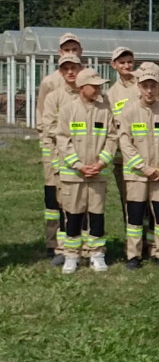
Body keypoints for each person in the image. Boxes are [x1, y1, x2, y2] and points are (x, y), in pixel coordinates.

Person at [55, 68, 116, 273]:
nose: (99, 88)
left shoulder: (104, 110)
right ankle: (71, 255)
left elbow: (112, 138)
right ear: (82, 87)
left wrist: (100, 163)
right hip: (74, 176)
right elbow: (63, 140)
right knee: (73, 215)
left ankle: (97, 253)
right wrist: (79, 166)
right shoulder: (68, 110)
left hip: (98, 175)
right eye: (95, 85)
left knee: (97, 215)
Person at [119, 62, 159, 270]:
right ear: (139, 87)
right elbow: (125, 143)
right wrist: (144, 167)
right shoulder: (129, 111)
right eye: (145, 86)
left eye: (153, 86)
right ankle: (134, 255)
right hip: (136, 176)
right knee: (135, 216)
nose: (149, 91)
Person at [37, 33, 83, 262]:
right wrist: (47, 142)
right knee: (53, 196)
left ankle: (76, 241)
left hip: (78, 149)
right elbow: (42, 118)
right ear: (59, 53)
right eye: (66, 49)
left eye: (74, 48)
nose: (70, 52)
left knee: (75, 196)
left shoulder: (84, 82)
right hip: (53, 147)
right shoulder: (50, 83)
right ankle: (53, 241)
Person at [107, 46, 138, 214]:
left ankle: (150, 239)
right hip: (123, 159)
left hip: (146, 154)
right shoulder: (111, 94)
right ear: (114, 65)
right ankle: (131, 237)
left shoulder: (143, 84)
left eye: (130, 62)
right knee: (127, 199)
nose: (127, 66)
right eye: (122, 62)